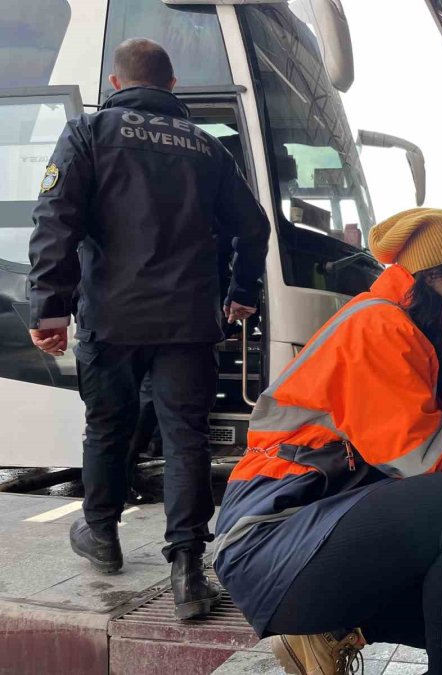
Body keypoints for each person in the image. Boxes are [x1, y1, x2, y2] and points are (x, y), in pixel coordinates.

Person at [212, 209, 442, 675]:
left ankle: (331, 632)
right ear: (435, 276)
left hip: (317, 523)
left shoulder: (415, 334)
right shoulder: (380, 327)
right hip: (272, 535)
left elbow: (414, 453)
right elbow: (425, 464)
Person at [27, 39, 270, 618]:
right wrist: (240, 295)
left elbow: (55, 218)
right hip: (189, 320)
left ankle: (101, 536)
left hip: (113, 316)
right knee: (184, 434)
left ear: (116, 82)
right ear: (173, 86)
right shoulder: (207, 147)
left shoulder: (90, 132)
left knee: (106, 427)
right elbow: (253, 226)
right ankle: (188, 568)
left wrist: (50, 307)